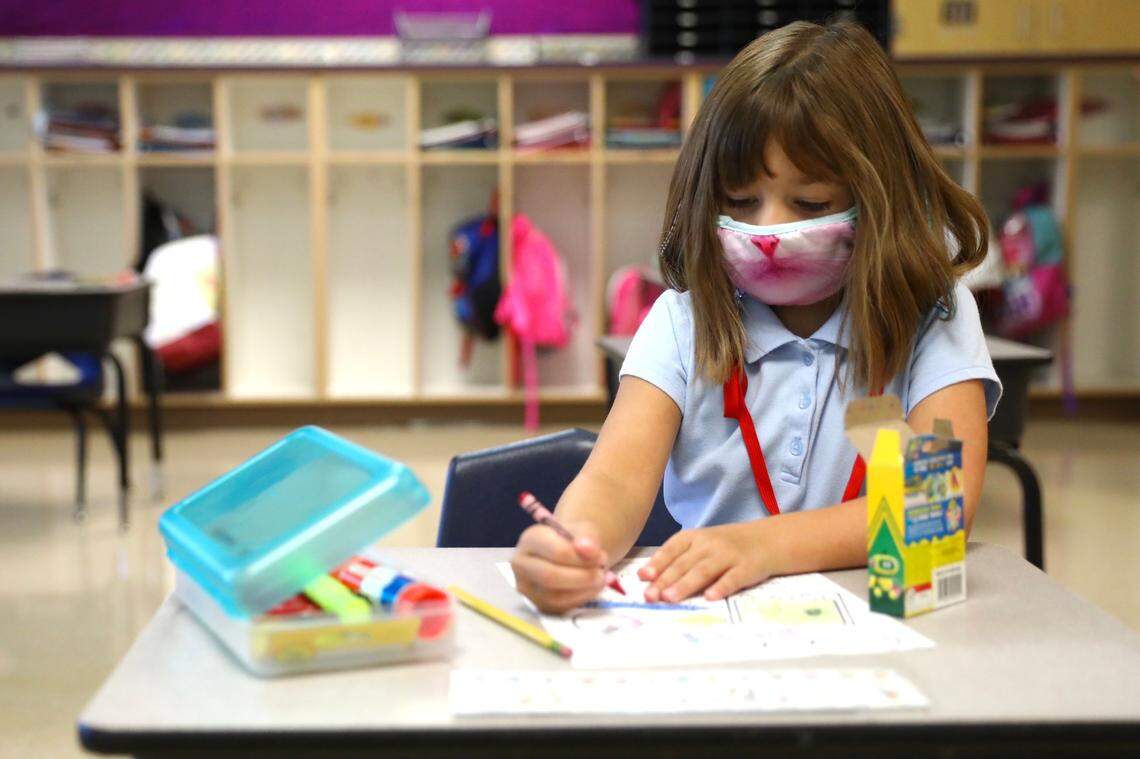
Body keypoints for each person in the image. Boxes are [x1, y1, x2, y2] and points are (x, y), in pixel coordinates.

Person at [511, 20, 1002, 613]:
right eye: (740, 202)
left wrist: (762, 546)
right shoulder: (681, 322)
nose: (768, 230)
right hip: (713, 627)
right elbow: (614, 481)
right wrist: (575, 544)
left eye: (810, 202)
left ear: (882, 197)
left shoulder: (935, 319)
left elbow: (938, 508)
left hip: (875, 625)